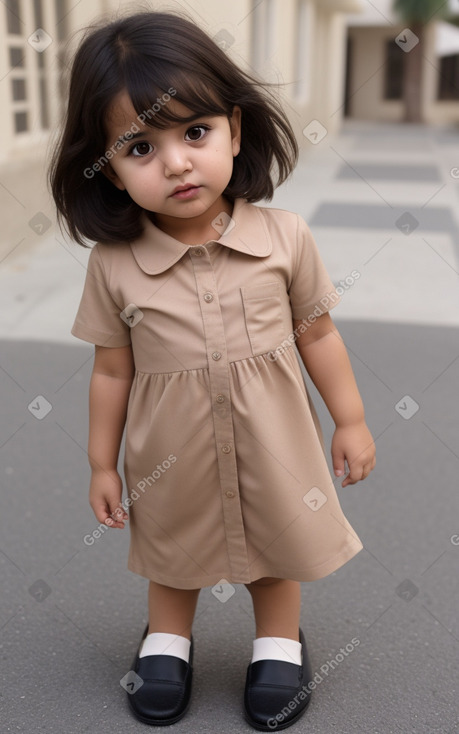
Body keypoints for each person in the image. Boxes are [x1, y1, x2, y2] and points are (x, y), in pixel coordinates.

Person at [49, 10, 376, 731]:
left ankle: (277, 643)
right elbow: (110, 372)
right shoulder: (115, 265)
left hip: (276, 437)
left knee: (279, 532)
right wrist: (101, 463)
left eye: (193, 133)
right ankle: (166, 640)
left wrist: (349, 418)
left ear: (233, 127)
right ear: (102, 164)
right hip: (170, 448)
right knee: (173, 538)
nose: (174, 163)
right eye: (139, 147)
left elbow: (317, 334)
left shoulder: (283, 238)